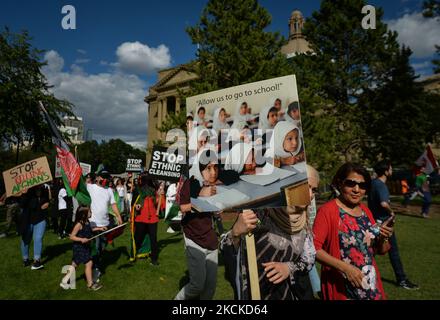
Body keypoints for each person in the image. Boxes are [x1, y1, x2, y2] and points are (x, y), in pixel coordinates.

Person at [313, 162, 394, 300]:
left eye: (362, 186)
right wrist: (346, 268)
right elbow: (314, 249)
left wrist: (384, 237)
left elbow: (381, 250)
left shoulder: (366, 211)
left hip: (369, 286)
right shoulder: (327, 211)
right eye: (351, 183)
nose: (357, 189)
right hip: (342, 288)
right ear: (340, 183)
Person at [220, 206, 316, 300]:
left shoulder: (303, 219)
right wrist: (235, 233)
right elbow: (226, 247)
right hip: (257, 293)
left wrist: (289, 267)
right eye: (308, 189)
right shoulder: (258, 214)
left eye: (313, 190)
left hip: (292, 293)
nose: (310, 194)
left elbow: (309, 259)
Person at [368, 160, 419, 290]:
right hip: (384, 225)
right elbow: (384, 203)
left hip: (373, 223)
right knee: (393, 252)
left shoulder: (373, 183)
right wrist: (392, 212)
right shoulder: (381, 185)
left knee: (371, 251)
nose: (392, 171)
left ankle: (360, 271)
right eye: (390, 168)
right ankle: (402, 280)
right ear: (386, 171)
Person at [174, 174, 220, 300]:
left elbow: (213, 207)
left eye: (214, 167)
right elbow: (183, 207)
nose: (212, 171)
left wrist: (217, 208)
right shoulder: (189, 183)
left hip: (211, 239)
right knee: (197, 286)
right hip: (194, 239)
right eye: (208, 167)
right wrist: (201, 196)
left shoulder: (210, 183)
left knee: (210, 286)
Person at [86, 171, 122, 281]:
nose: (105, 180)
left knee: (102, 246)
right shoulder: (90, 187)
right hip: (94, 223)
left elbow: (113, 204)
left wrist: (118, 216)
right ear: (97, 177)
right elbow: (78, 186)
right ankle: (95, 269)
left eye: (107, 178)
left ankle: (95, 263)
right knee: (96, 247)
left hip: (106, 224)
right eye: (103, 177)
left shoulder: (109, 190)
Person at [60, 206, 104, 291]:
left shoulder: (87, 222)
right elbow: (72, 237)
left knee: (74, 265)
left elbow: (91, 229)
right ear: (84, 214)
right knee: (89, 263)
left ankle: (64, 281)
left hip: (85, 247)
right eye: (90, 212)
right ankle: (90, 284)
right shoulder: (79, 224)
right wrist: (81, 239)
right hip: (79, 247)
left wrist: (99, 228)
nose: (91, 213)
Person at [131, 174, 165, 265]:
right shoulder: (137, 190)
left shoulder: (154, 190)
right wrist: (136, 206)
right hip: (141, 218)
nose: (147, 183)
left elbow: (158, 203)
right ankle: (133, 254)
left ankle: (154, 259)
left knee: (153, 239)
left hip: (153, 218)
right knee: (138, 238)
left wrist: (160, 194)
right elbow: (133, 203)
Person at [19, 185, 50, 270]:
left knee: (37, 238)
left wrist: (48, 203)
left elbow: (47, 200)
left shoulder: (45, 189)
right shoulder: (27, 190)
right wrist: (24, 194)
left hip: (40, 218)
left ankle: (37, 261)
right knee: (26, 239)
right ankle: (25, 260)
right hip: (28, 220)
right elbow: (21, 204)